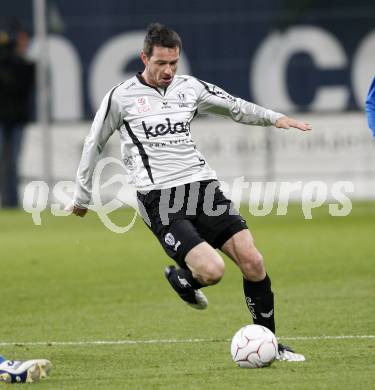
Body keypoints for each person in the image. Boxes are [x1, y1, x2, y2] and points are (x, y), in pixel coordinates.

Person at [71, 23, 312, 361]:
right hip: (159, 197)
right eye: (160, 63)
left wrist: (275, 119)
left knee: (254, 261)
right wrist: (81, 196)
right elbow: (93, 141)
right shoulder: (121, 96)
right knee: (213, 271)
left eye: (174, 63)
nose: (168, 71)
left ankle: (270, 342)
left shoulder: (190, 88)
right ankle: (188, 279)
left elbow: (235, 106)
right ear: (144, 57)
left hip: (201, 186)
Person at [0, 27, 35, 207]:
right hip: (7, 118)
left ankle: (10, 202)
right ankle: (7, 200)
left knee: (12, 162)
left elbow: (21, 87)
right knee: (7, 162)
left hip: (16, 119)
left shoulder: (25, 66)